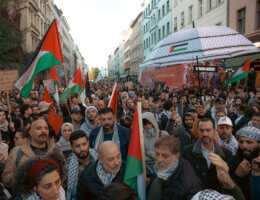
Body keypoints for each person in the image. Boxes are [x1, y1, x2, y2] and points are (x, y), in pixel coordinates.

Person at [2, 119, 64, 188]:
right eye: (38, 128)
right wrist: (24, 179)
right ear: (31, 132)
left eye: (46, 128)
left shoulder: (56, 150)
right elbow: (6, 177)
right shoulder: (17, 152)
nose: (43, 131)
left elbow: (64, 172)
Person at [183, 118, 232, 192]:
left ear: (214, 131)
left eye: (208, 130)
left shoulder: (226, 153)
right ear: (198, 132)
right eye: (201, 130)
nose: (205, 134)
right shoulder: (187, 151)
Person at [147, 136, 203, 200]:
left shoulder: (188, 186)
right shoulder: (166, 167)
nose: (159, 160)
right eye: (157, 154)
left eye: (165, 156)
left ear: (176, 156)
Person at [228, 126, 260, 200]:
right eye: (241, 142)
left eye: (249, 142)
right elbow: (224, 190)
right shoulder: (232, 162)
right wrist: (237, 176)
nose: (244, 146)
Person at [66, 130, 98, 200]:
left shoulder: (98, 159)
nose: (82, 149)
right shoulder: (68, 167)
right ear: (72, 148)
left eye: (84, 144)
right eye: (77, 146)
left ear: (88, 143)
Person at [142, 112, 168, 178]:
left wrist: (147, 153)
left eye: (149, 123)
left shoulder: (163, 135)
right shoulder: (141, 137)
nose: (147, 126)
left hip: (161, 170)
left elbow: (165, 155)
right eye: (144, 124)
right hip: (146, 171)